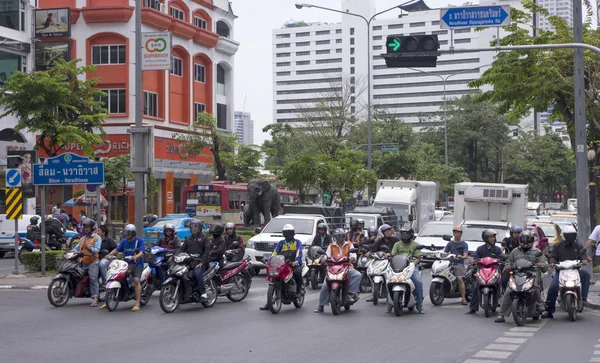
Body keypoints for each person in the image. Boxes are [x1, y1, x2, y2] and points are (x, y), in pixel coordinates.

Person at [495, 231, 548, 323]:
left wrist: (541, 265)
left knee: (535, 286)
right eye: (523, 241)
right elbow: (508, 262)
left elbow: (545, 264)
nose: (525, 243)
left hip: (532, 274)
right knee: (509, 290)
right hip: (517, 274)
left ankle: (540, 305)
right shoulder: (515, 251)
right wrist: (507, 266)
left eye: (527, 241)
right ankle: (502, 314)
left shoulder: (537, 252)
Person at [542, 226, 591, 318]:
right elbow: (553, 257)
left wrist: (584, 260)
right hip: (561, 272)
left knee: (586, 275)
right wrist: (552, 263)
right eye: (569, 235)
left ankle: (584, 299)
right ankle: (549, 310)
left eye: (572, 235)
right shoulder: (557, 246)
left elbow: (582, 255)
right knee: (552, 287)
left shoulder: (578, 246)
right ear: (564, 236)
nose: (571, 237)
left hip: (575, 271)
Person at [314, 228, 361, 313]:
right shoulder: (331, 246)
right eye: (336, 236)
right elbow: (326, 256)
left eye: (340, 236)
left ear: (343, 236)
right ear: (334, 237)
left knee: (357, 275)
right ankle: (321, 305)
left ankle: (351, 294)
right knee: (325, 284)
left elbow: (353, 255)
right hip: (332, 267)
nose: (338, 238)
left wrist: (352, 258)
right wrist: (324, 259)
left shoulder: (349, 245)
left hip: (346, 267)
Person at [260, 224, 304, 311]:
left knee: (297, 273)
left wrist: (296, 261)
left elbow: (299, 252)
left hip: (293, 264)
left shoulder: (297, 242)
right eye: (286, 233)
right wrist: (269, 261)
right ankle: (269, 302)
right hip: (283, 264)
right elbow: (275, 253)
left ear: (293, 233)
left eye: (289, 232)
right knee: (274, 278)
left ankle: (299, 290)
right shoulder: (281, 243)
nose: (288, 234)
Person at [102, 224, 145, 311]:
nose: (127, 234)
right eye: (126, 232)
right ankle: (110, 299)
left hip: (137, 264)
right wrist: (109, 255)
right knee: (115, 276)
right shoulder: (124, 241)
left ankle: (137, 303)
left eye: (129, 232)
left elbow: (142, 252)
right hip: (125, 263)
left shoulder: (139, 241)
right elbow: (117, 250)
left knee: (136, 280)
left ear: (133, 233)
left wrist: (137, 256)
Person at [465, 229, 505, 315]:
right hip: (482, 272)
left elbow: (501, 257)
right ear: (486, 238)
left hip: (494, 272)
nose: (493, 238)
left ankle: (501, 307)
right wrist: (473, 260)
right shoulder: (480, 249)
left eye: (494, 237)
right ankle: (473, 308)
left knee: (499, 286)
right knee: (476, 287)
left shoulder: (497, 249)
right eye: (491, 237)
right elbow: (475, 257)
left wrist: (503, 259)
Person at [389, 224, 424, 314]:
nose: (404, 236)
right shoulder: (397, 244)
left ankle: (420, 305)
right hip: (399, 267)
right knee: (388, 281)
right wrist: (388, 256)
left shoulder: (415, 245)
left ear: (411, 234)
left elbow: (418, 258)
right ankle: (389, 303)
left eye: (406, 233)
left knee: (418, 282)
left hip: (411, 267)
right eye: (402, 233)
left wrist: (413, 264)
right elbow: (393, 254)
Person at [74, 219, 102, 307]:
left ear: (92, 228)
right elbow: (76, 248)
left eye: (87, 227)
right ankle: (64, 295)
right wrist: (70, 251)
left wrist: (90, 249)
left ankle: (95, 298)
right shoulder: (82, 238)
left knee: (93, 278)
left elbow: (97, 249)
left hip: (93, 262)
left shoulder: (97, 238)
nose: (86, 229)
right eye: (85, 227)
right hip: (82, 262)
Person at [180, 220, 210, 300]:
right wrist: (174, 256)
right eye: (192, 227)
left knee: (197, 274)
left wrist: (202, 262)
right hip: (189, 262)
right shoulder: (188, 239)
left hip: (200, 263)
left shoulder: (205, 238)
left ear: (200, 228)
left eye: (196, 227)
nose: (194, 229)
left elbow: (207, 251)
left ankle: (203, 293)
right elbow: (181, 250)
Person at [444, 226, 470, 305]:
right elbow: (445, 253)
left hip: (459, 264)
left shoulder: (464, 244)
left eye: (458, 232)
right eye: (455, 232)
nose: (456, 234)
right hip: (449, 264)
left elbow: (465, 255)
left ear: (461, 234)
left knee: (459, 279)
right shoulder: (450, 243)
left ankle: (463, 298)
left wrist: (461, 256)